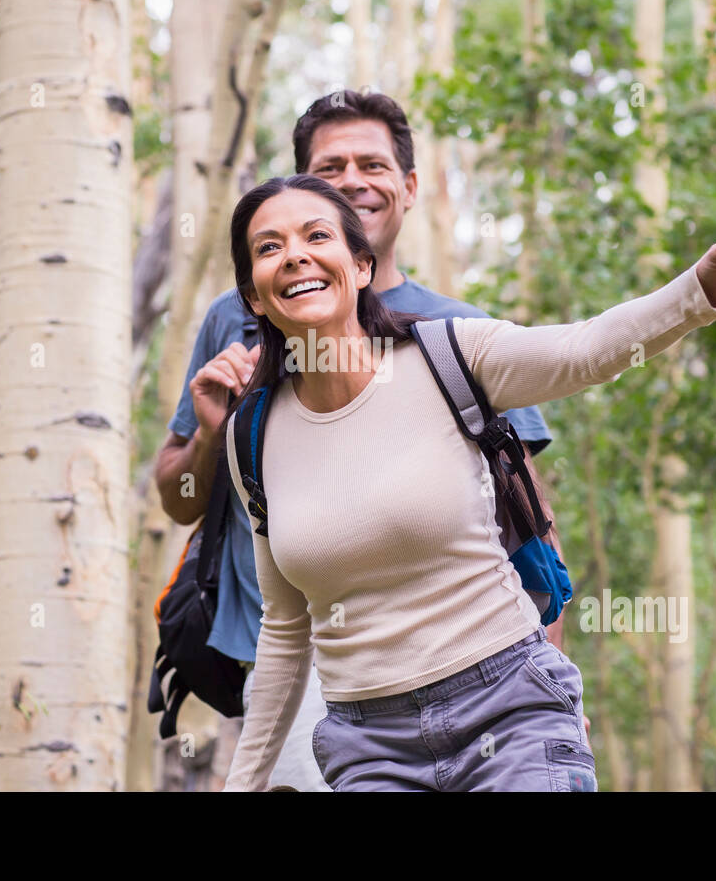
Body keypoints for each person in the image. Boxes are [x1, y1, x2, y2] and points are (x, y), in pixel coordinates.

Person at [219, 174, 716, 791]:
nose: (294, 253)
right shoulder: (252, 433)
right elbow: (285, 625)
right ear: (254, 298)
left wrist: (705, 289)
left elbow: (585, 348)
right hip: (368, 748)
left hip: (509, 709)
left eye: (315, 235)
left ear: (360, 265)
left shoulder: (447, 356)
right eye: (269, 247)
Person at [156, 91, 555, 790]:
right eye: (328, 166)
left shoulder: (457, 332)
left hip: (464, 667)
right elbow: (180, 498)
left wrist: (550, 681)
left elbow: (529, 521)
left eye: (372, 164)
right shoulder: (240, 314)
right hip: (285, 659)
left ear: (407, 188)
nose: (352, 180)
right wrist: (214, 435)